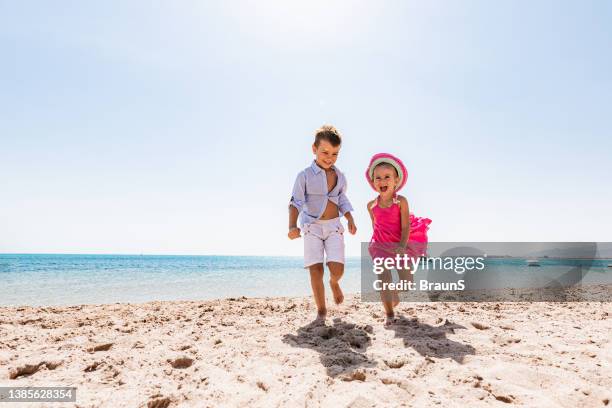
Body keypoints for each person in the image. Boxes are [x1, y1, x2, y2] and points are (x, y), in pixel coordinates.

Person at [288, 125, 357, 321]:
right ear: (314, 149)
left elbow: (342, 199)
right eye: (325, 152)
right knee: (316, 270)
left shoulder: (340, 176)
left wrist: (350, 217)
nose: (330, 157)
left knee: (337, 269)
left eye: (335, 153)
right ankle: (321, 310)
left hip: (334, 226)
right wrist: (292, 226)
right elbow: (295, 202)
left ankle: (334, 283)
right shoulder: (304, 176)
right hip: (312, 227)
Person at [366, 153, 431, 324]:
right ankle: (389, 315)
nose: (382, 181)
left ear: (396, 181)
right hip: (380, 246)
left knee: (407, 282)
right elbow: (375, 226)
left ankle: (394, 291)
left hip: (400, 245)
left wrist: (402, 245)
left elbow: (405, 226)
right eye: (378, 178)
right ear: (373, 183)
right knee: (383, 278)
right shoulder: (371, 205)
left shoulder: (401, 201)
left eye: (387, 177)